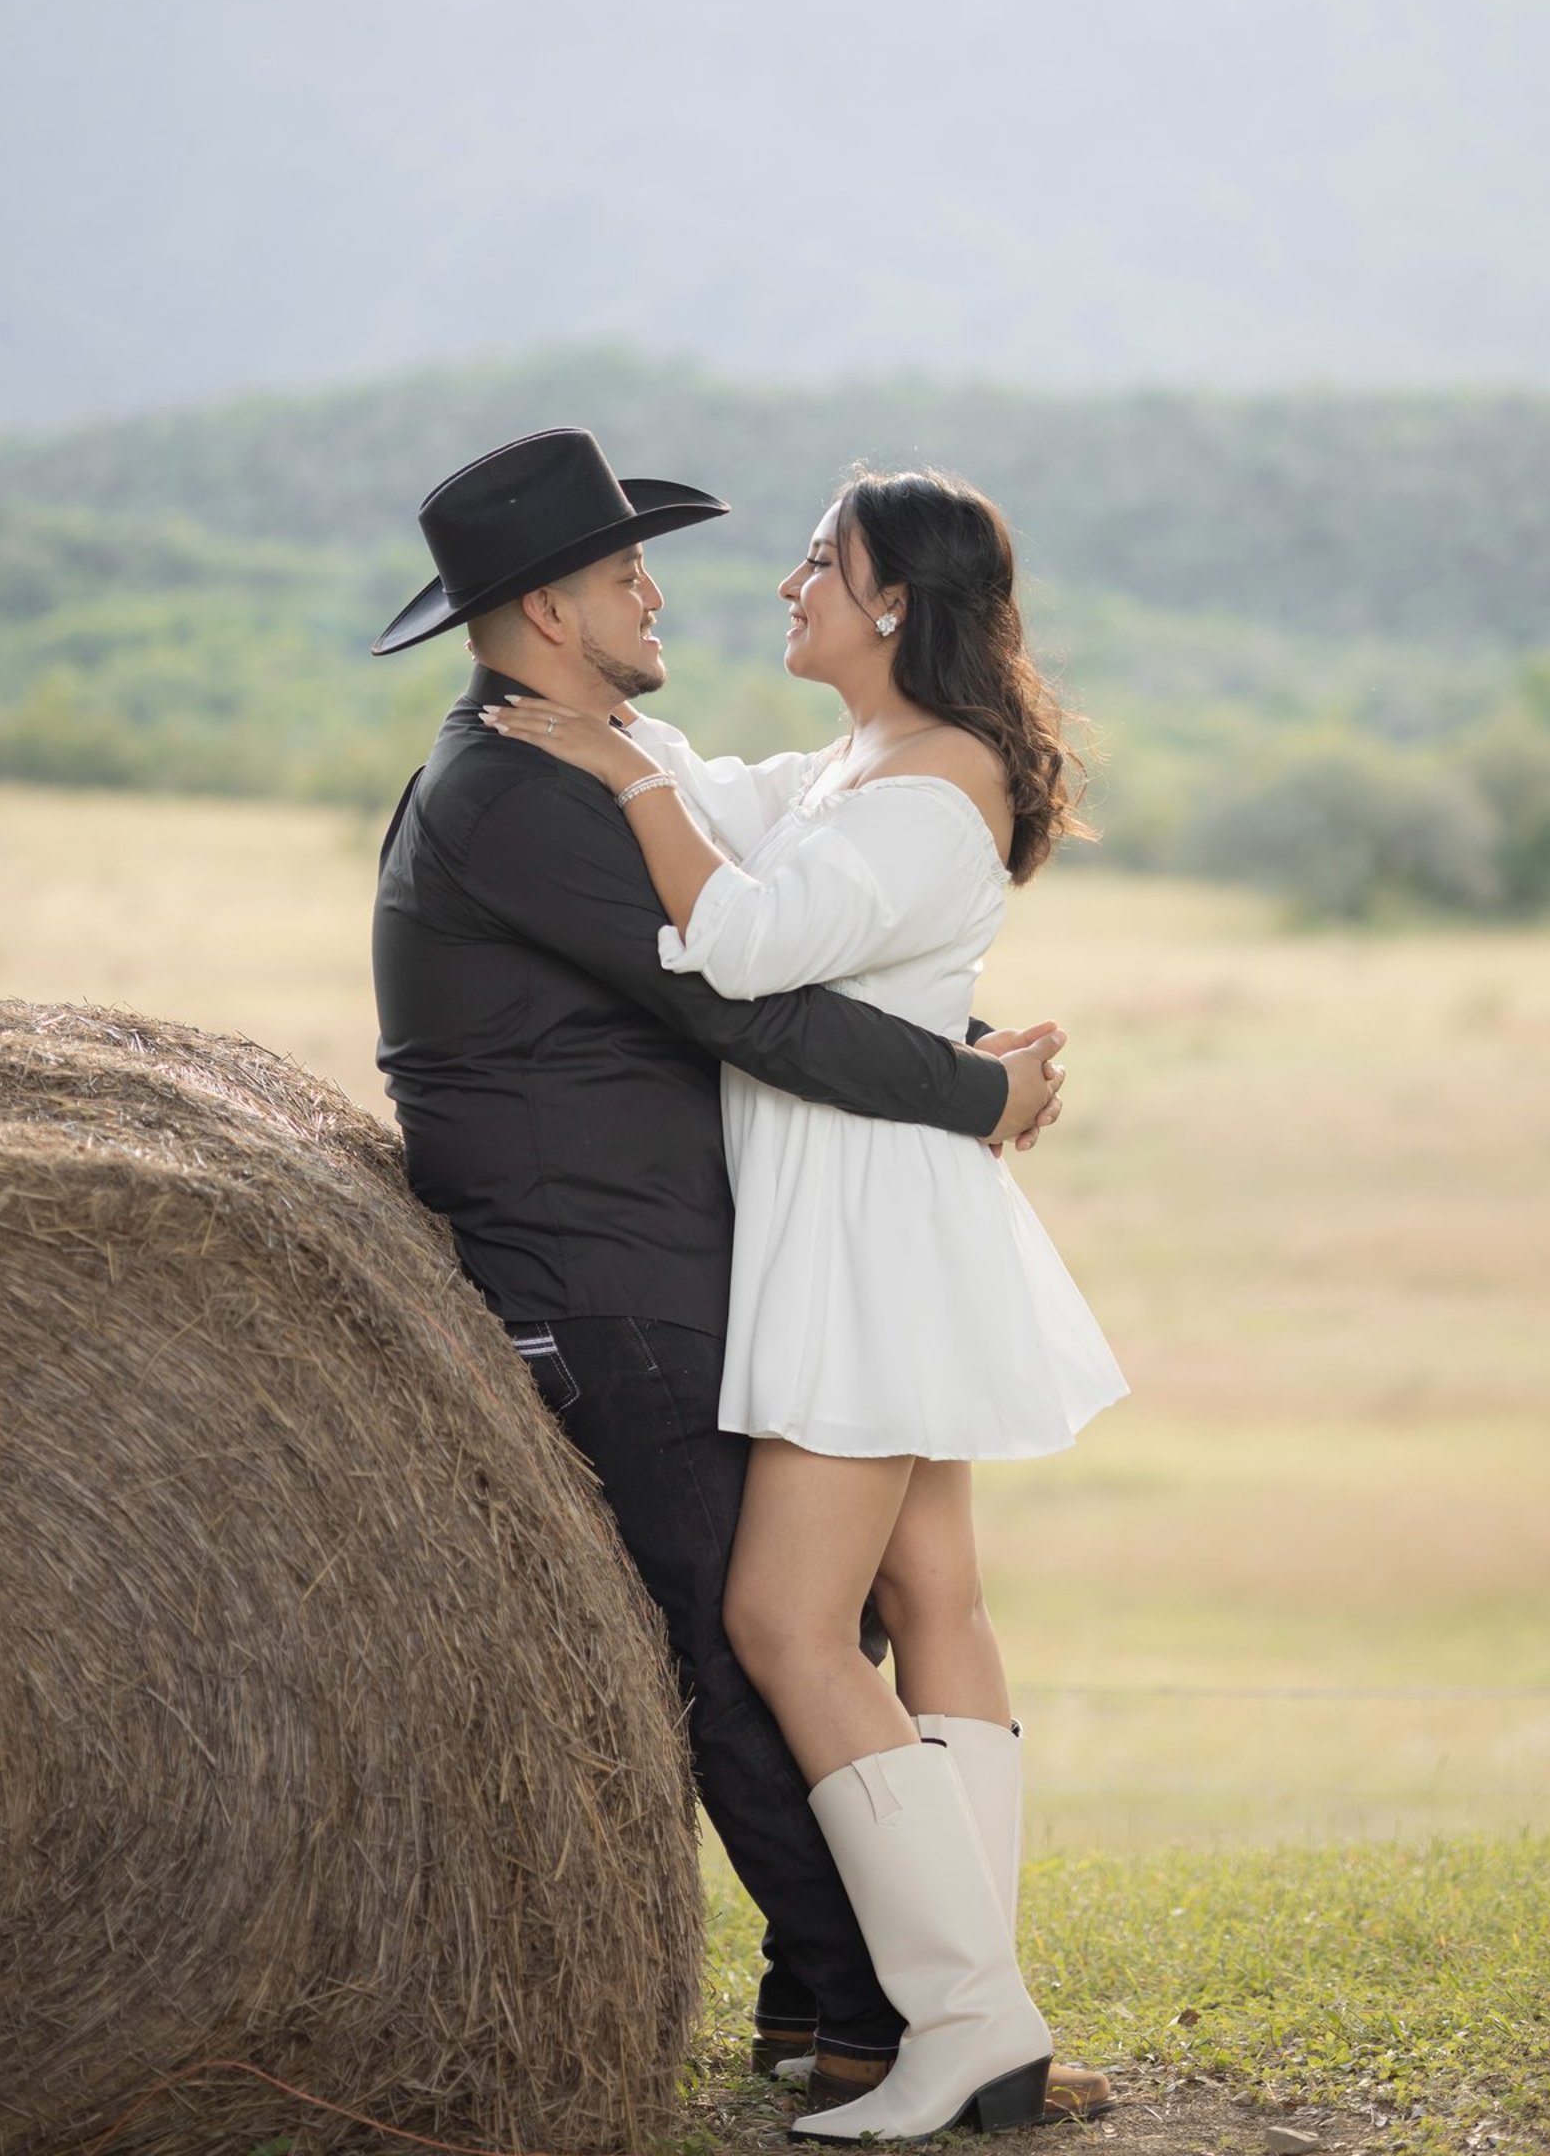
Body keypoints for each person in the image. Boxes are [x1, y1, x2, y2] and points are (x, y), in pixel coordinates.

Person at [369, 429, 1083, 2117]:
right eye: (628, 572)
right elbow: (741, 995)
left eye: (813, 560)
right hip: (613, 1261)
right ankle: (906, 2011)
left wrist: (958, 1055)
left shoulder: (595, 764)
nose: (666, 591)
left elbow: (780, 955)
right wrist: (971, 1082)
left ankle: (919, 2016)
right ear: (552, 611)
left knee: (799, 1619)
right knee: (784, 1620)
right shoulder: (524, 788)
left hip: (773, 1236)